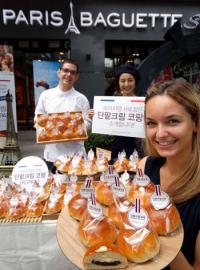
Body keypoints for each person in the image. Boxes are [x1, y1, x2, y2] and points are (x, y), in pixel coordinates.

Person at [139, 79, 200, 270]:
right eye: (151, 123)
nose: (160, 133)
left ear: (195, 123)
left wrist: (161, 234)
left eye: (172, 121)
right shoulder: (144, 168)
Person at [35, 58, 92, 173]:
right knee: (53, 189)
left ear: (76, 77)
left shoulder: (81, 99)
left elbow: (88, 123)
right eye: (66, 70)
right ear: (59, 72)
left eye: (73, 72)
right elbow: (38, 117)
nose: (68, 74)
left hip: (76, 156)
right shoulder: (46, 95)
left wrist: (72, 129)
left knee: (75, 189)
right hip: (52, 155)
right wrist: (40, 124)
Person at [109, 63, 145, 163]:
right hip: (118, 147)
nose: (126, 84)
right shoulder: (111, 104)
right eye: (122, 81)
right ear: (118, 83)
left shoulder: (143, 104)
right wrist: (96, 116)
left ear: (135, 82)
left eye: (130, 80)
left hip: (138, 147)